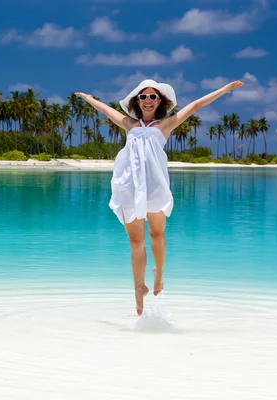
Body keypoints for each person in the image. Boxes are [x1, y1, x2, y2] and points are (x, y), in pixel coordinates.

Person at [75, 78, 243, 316]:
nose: (148, 100)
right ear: (137, 101)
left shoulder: (165, 125)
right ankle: (138, 289)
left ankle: (159, 275)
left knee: (156, 234)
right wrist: (88, 98)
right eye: (143, 96)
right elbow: (105, 109)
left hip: (155, 189)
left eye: (153, 96)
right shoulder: (129, 124)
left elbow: (195, 106)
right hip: (130, 188)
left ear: (160, 101)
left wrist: (225, 90)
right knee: (135, 243)